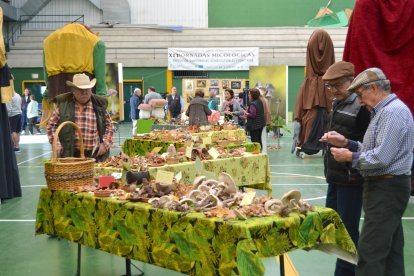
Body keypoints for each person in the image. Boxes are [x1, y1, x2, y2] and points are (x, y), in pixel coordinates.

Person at [320, 68, 414, 276]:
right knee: (391, 251)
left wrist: (350, 157)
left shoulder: (392, 113)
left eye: (361, 94)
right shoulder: (383, 112)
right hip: (384, 187)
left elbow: (381, 158)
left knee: (370, 252)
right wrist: (347, 143)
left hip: (386, 188)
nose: (360, 101)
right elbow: (373, 150)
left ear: (373, 88)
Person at [321, 61, 371, 276]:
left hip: (351, 178)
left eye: (338, 86)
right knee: (333, 229)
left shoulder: (361, 108)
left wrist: (345, 144)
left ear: (351, 82)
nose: (333, 91)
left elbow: (367, 144)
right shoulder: (337, 103)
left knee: (347, 233)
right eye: (330, 86)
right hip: (334, 176)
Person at [47, 73, 114, 162]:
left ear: (91, 89)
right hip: (71, 155)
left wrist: (105, 144)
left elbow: (110, 126)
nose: (84, 92)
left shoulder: (99, 104)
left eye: (87, 89)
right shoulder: (63, 106)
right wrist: (56, 144)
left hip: (94, 155)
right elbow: (51, 125)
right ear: (73, 90)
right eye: (80, 89)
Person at [294, 29, 335, 155]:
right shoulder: (334, 83)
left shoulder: (307, 84)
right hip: (328, 91)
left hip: (313, 106)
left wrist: (297, 121)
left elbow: (300, 110)